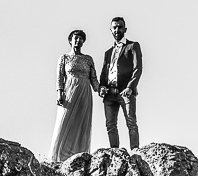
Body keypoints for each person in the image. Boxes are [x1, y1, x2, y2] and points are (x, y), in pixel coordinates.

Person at [48, 29, 96, 163]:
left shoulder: (88, 59)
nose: (78, 40)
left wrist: (102, 89)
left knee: (82, 124)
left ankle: (79, 156)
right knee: (64, 123)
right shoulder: (64, 58)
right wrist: (59, 92)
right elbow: (60, 77)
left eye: (81, 38)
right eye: (75, 38)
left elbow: (94, 80)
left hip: (85, 92)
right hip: (69, 92)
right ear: (70, 40)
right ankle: (57, 158)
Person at [98, 15, 142, 149]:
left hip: (125, 91)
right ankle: (115, 152)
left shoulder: (132, 46)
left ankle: (135, 150)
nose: (117, 30)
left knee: (131, 122)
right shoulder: (108, 52)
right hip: (109, 93)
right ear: (111, 30)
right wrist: (101, 87)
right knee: (110, 125)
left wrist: (130, 87)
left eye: (120, 27)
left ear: (125, 29)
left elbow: (138, 68)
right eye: (114, 28)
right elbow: (104, 73)